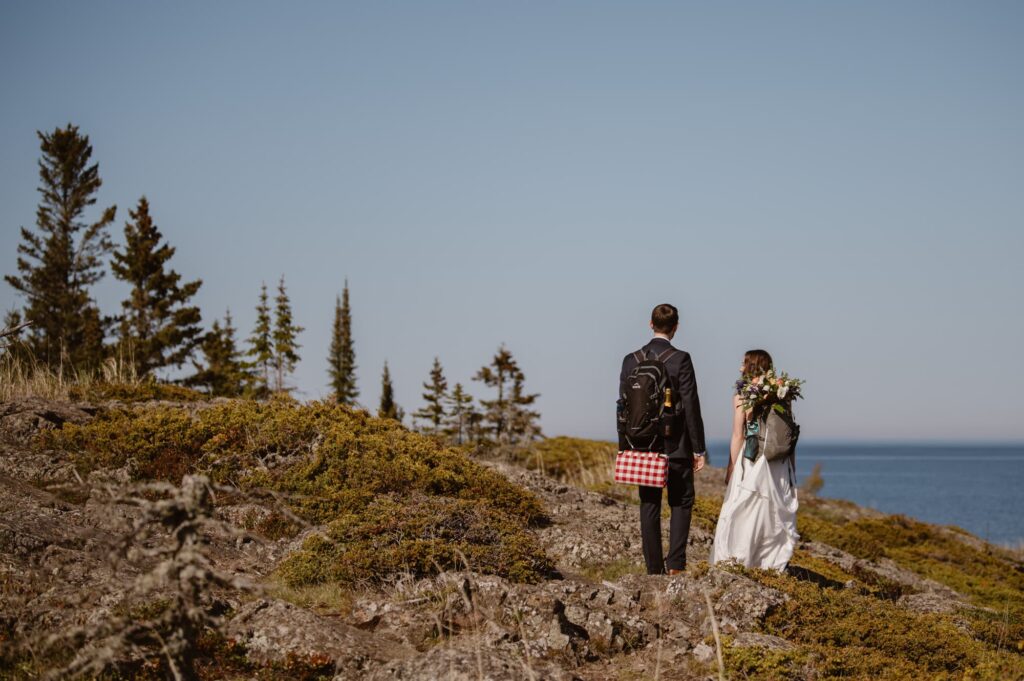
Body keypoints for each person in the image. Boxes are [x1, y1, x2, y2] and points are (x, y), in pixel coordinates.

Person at [618, 303, 707, 575]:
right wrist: (698, 448)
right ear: (676, 327)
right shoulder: (681, 359)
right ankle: (676, 565)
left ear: (650, 324)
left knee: (649, 503)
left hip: (642, 444)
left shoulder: (630, 359)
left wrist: (625, 446)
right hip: (676, 443)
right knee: (681, 502)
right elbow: (691, 405)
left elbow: (623, 406)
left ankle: (653, 568)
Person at [711, 349, 799, 571]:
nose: (740, 367)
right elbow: (789, 434)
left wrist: (732, 467)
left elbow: (738, 435)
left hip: (752, 460)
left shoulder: (743, 395)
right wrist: (792, 467)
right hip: (778, 463)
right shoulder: (783, 394)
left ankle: (740, 558)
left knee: (744, 510)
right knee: (771, 513)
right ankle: (770, 562)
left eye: (743, 363)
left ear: (752, 366)